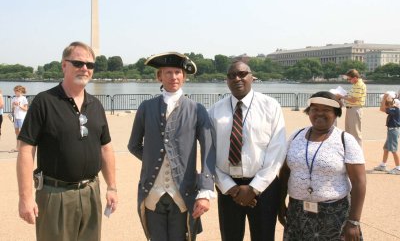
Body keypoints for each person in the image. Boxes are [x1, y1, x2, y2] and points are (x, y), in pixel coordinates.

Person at [16, 41, 118, 241]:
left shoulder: (96, 105)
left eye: (90, 65)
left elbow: (106, 148)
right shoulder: (44, 102)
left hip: (90, 192)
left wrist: (112, 186)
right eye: (78, 63)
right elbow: (26, 150)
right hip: (55, 195)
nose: (85, 69)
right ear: (64, 65)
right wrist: (25, 197)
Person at [127, 52, 216, 241]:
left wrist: (206, 191)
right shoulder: (146, 107)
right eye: (168, 72)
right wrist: (154, 161)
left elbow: (208, 150)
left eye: (178, 72)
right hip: (152, 191)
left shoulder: (197, 109)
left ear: (184, 77)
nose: (173, 77)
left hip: (184, 192)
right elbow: (133, 145)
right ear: (159, 76)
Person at [208, 61, 286, 241]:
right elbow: (209, 154)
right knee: (230, 237)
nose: (237, 78)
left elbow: (277, 150)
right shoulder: (214, 111)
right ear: (226, 81)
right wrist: (231, 189)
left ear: (252, 77)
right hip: (228, 188)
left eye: (242, 74)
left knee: (264, 237)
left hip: (264, 188)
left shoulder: (270, 106)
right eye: (231, 75)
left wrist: (254, 188)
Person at [279, 91, 366, 241]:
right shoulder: (295, 136)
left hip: (334, 215)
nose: (319, 114)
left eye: (326, 110)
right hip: (297, 214)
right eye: (315, 109)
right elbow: (285, 173)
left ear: (336, 113)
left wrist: (353, 222)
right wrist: (280, 204)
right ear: (309, 112)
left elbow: (359, 182)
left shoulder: (345, 140)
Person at [373, 93, 400, 174]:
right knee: (386, 148)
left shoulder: (395, 110)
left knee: (393, 150)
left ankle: (398, 168)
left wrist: (384, 99)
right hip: (391, 130)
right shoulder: (394, 109)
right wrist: (386, 100)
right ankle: (383, 165)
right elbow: (386, 108)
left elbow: (382, 109)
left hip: (393, 131)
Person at [340, 69, 367, 147]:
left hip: (355, 109)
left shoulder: (359, 85)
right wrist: (345, 96)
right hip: (351, 109)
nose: (348, 81)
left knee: (355, 133)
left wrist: (342, 96)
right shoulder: (356, 85)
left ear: (355, 78)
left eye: (349, 79)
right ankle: (351, 151)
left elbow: (354, 100)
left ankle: (358, 155)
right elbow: (352, 97)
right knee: (349, 132)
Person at [11, 85, 28, 152]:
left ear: (20, 91)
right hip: (16, 117)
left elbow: (26, 109)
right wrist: (13, 106)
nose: (15, 93)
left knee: (22, 132)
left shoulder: (24, 98)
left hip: (21, 117)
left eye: (16, 91)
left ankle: (23, 147)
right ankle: (17, 147)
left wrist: (19, 105)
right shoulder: (14, 98)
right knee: (16, 132)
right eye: (15, 91)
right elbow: (12, 109)